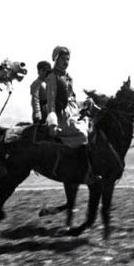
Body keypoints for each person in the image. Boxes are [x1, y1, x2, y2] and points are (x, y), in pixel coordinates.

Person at [45, 46, 98, 184]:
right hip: (60, 117)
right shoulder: (52, 77)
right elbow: (51, 102)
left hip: (72, 112)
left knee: (93, 127)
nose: (66, 62)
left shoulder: (68, 77)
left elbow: (72, 100)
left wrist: (85, 103)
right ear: (56, 59)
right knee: (82, 134)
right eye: (63, 59)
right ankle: (84, 173)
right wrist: (52, 123)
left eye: (67, 59)